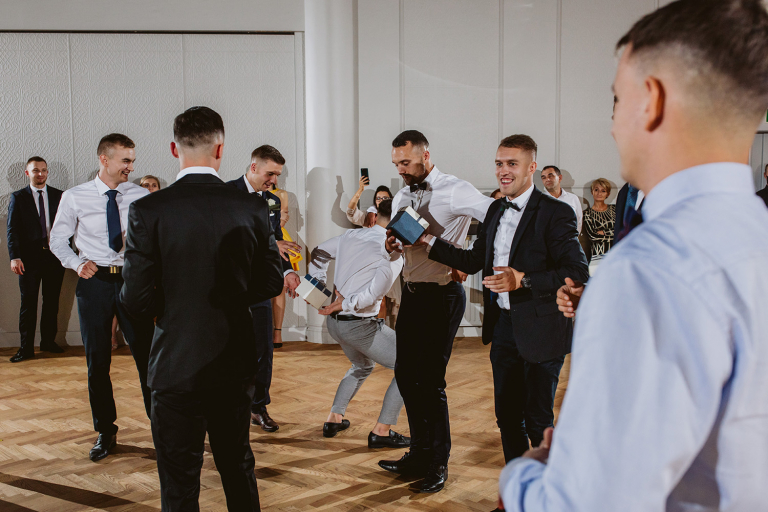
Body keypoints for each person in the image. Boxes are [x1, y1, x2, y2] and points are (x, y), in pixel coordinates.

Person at [501, 1, 768, 511]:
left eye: (617, 100)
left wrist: (529, 471)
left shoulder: (652, 266)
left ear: (653, 101)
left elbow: (584, 503)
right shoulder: (756, 232)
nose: (612, 125)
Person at [120, 106, 284, 511]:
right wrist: (232, 294)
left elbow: (135, 300)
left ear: (174, 148)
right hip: (233, 360)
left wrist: (173, 304)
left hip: (175, 362)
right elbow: (271, 282)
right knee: (237, 466)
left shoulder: (148, 209)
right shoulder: (252, 207)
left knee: (179, 479)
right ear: (221, 149)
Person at [424, 135, 588, 464]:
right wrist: (427, 240)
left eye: (512, 163)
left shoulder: (556, 212)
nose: (503, 170)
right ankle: (516, 483)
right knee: (507, 418)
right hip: (504, 329)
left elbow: (576, 271)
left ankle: (547, 487)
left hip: (543, 329)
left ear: (531, 167)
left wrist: (522, 279)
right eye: (499, 163)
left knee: (538, 420)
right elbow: (473, 260)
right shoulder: (496, 209)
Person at [378, 130, 494, 493]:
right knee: (406, 375)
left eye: (406, 162)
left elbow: (495, 215)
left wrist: (466, 257)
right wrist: (391, 244)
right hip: (411, 294)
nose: (400, 170)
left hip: (442, 296)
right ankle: (419, 452)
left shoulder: (455, 189)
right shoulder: (401, 194)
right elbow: (396, 245)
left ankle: (438, 462)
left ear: (425, 155)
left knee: (430, 381)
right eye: (396, 163)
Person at [49, 133, 154, 461]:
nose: (131, 167)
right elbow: (57, 239)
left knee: (148, 358)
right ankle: (105, 431)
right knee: (97, 360)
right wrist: (77, 263)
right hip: (94, 284)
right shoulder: (74, 197)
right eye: (125, 160)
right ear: (104, 160)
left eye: (132, 160)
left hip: (132, 281)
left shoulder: (140, 196)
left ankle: (163, 429)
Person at [306, 198, 410, 448]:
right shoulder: (393, 252)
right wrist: (347, 303)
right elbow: (373, 295)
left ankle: (334, 418)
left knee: (362, 365)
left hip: (335, 325)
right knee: (410, 366)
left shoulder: (350, 236)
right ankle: (382, 432)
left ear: (376, 216)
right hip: (358, 326)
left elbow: (319, 252)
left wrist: (317, 288)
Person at [228, 144, 302, 434]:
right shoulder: (225, 194)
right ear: (253, 167)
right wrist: (271, 244)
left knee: (263, 351)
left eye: (278, 175)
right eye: (270, 173)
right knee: (228, 352)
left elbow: (276, 240)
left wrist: (288, 271)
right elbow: (225, 239)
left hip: (259, 289)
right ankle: (228, 409)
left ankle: (258, 407)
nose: (274, 180)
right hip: (230, 289)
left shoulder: (270, 201)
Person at [6, 156, 66, 362]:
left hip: (54, 257)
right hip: (28, 260)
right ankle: (26, 348)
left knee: (52, 302)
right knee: (28, 304)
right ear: (27, 173)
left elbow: (68, 225)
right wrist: (15, 256)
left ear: (47, 172)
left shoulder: (60, 195)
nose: (40, 174)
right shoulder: (18, 197)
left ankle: (48, 342)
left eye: (43, 170)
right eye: (35, 170)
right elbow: (12, 230)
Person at [269, 182, 301, 348]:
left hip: (280, 236)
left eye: (276, 174)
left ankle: (277, 332)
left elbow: (281, 220)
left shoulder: (279, 195)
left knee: (280, 286)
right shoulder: (245, 194)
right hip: (265, 240)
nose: (273, 178)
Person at [582, 178, 616, 274]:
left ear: (608, 194)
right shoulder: (587, 213)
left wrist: (603, 232)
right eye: (596, 190)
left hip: (616, 254)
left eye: (603, 191)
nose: (599, 193)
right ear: (592, 192)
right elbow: (593, 236)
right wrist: (614, 233)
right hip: (597, 256)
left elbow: (622, 229)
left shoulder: (615, 209)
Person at [540, 165, 583, 234]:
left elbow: (579, 222)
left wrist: (572, 238)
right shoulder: (539, 200)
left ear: (560, 178)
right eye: (544, 177)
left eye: (550, 176)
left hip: (569, 239)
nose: (547, 179)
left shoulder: (573, 198)